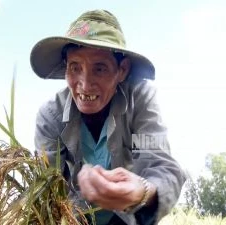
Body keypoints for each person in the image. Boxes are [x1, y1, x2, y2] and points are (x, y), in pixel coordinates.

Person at [31, 9, 186, 225]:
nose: (85, 84)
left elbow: (160, 165)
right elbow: (47, 188)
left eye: (100, 69)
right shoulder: (51, 116)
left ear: (122, 70)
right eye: (75, 67)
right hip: (77, 218)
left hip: (128, 216)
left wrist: (142, 190)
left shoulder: (139, 102)